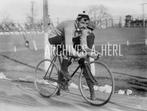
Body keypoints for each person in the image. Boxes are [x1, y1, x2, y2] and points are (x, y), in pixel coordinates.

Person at [48, 11, 96, 100]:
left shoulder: (83, 29)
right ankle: (63, 71)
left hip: (69, 38)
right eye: (82, 22)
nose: (84, 25)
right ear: (77, 21)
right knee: (67, 50)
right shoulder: (70, 26)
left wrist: (90, 53)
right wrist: (78, 54)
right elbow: (69, 46)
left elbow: (84, 45)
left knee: (83, 61)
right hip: (55, 38)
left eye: (86, 23)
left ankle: (91, 89)